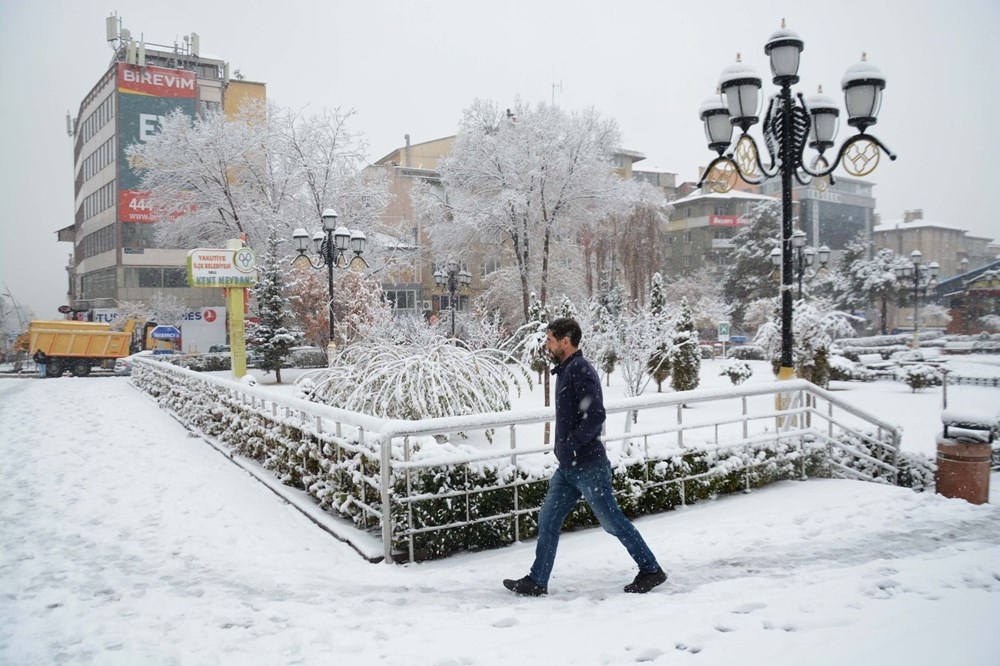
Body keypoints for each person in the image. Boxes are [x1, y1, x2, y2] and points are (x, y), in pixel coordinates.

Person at [503, 317, 667, 596]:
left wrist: (570, 444)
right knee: (548, 520)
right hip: (569, 468)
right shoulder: (566, 369)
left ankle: (651, 570)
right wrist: (566, 450)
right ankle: (537, 580)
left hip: (589, 465)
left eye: (550, 340)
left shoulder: (581, 370)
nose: (547, 345)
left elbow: (596, 415)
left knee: (612, 522)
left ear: (565, 342)